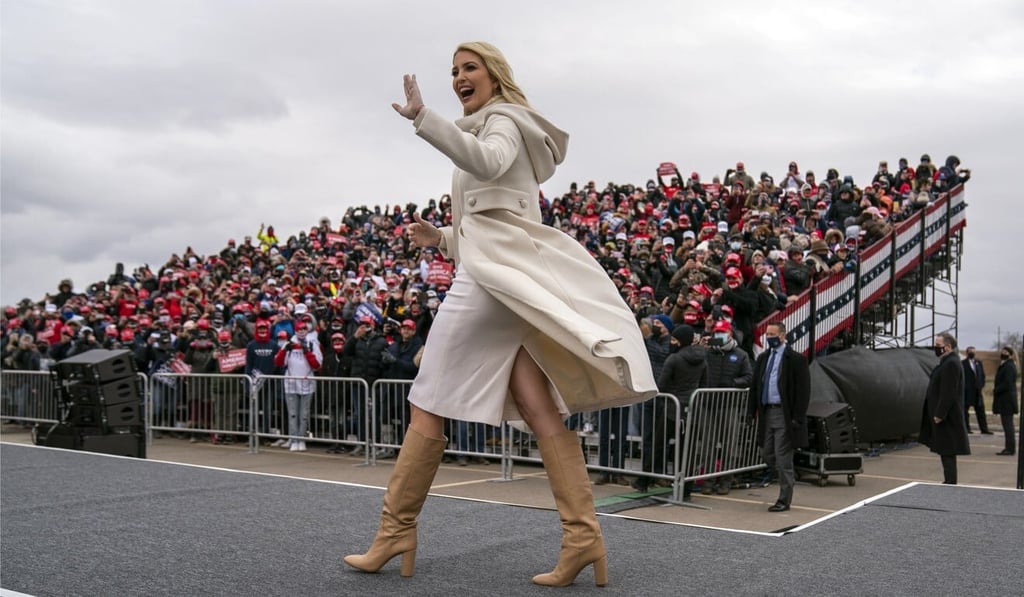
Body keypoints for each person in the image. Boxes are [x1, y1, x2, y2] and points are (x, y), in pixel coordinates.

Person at [344, 42, 657, 586]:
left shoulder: (505, 123)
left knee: (426, 400)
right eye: (454, 72)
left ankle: (396, 531)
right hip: (496, 276)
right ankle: (583, 539)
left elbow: (487, 167)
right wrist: (441, 236)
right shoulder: (493, 127)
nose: (459, 77)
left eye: (470, 68)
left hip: (486, 284)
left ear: (495, 76)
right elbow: (492, 226)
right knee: (537, 406)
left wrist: (423, 118)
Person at [747, 321, 810, 511]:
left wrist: (797, 417)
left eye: (773, 334)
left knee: (783, 457)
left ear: (782, 335)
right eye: (767, 334)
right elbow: (755, 386)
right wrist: (751, 412)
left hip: (785, 413)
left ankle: (784, 498)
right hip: (767, 412)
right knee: (767, 453)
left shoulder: (796, 360)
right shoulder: (763, 358)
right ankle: (786, 475)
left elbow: (803, 390)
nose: (769, 337)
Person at [919, 333, 970, 484]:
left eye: (938, 345)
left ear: (947, 347)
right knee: (945, 450)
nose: (935, 348)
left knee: (947, 450)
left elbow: (949, 392)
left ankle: (950, 482)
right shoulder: (947, 362)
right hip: (944, 416)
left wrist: (940, 413)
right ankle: (949, 480)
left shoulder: (951, 363)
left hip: (947, 417)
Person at [273, 320, 322, 451]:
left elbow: (317, 365)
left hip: (307, 382)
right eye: (299, 329)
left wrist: (307, 352)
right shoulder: (289, 344)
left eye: (304, 329)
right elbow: (278, 362)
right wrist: (284, 351)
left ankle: (301, 439)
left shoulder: (312, 343)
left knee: (304, 414)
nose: (301, 331)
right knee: (293, 413)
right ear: (295, 330)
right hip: (291, 383)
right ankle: (294, 439)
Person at [992, 346, 1018, 456]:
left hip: (1007, 401)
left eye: (1006, 351)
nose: (1003, 353)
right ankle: (1009, 447)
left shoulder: (1009, 366)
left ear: (1010, 354)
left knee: (1008, 426)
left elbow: (1007, 383)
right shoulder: (1006, 365)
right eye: (1002, 351)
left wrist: (996, 390)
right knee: (1007, 425)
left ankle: (1010, 448)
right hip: (1005, 400)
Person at [961, 346, 991, 434]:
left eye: (973, 352)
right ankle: (966, 428)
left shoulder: (978, 363)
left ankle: (984, 429)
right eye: (970, 352)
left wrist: (981, 385)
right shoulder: (963, 363)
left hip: (977, 391)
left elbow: (982, 375)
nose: (972, 353)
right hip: (967, 392)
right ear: (967, 353)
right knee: (965, 411)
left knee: (981, 411)